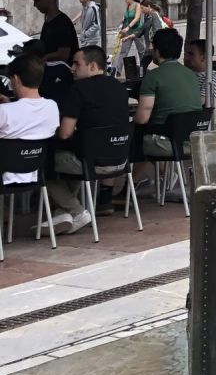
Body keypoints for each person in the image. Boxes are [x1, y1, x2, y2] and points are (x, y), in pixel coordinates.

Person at [54, 46, 131, 224]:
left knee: (46, 162)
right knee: (72, 155)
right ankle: (63, 211)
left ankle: (76, 210)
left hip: (91, 163)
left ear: (92, 66)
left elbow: (65, 133)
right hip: (120, 160)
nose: (72, 68)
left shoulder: (78, 89)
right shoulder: (119, 88)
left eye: (76, 64)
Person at [132, 27, 201, 187]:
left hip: (166, 143)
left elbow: (142, 118)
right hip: (191, 140)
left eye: (152, 46)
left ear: (157, 50)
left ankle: (128, 186)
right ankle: (163, 177)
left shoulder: (153, 76)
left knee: (132, 137)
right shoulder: (191, 74)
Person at [0, 53, 60, 229]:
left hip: (5, 174)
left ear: (16, 79)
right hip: (35, 171)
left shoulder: (6, 112)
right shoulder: (52, 107)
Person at [29, 0, 78, 64]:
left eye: (37, 0)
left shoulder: (62, 23)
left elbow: (64, 54)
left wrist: (44, 58)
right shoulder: (49, 20)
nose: (35, 5)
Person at [185, 40, 216, 112]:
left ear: (204, 57)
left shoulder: (211, 79)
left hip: (197, 118)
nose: (187, 57)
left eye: (191, 54)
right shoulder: (189, 74)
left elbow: (198, 103)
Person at [115, 0, 143, 72]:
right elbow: (126, 16)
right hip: (127, 31)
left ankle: (143, 68)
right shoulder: (128, 5)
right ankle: (118, 70)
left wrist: (128, 27)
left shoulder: (137, 5)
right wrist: (123, 20)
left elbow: (137, 18)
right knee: (123, 51)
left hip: (137, 30)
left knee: (141, 51)